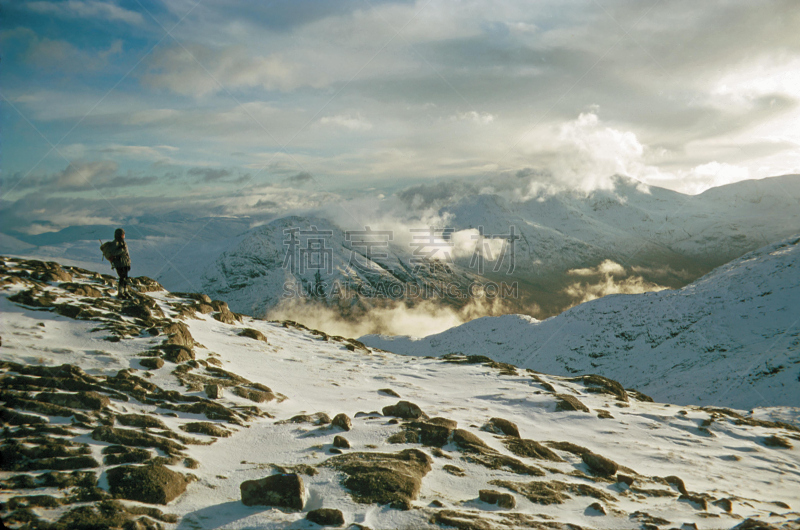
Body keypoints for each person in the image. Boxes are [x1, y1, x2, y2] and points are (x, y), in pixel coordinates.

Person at [108, 228, 132, 299]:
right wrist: (121, 249)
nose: (123, 236)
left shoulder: (123, 243)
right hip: (119, 263)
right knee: (122, 278)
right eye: (122, 235)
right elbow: (113, 253)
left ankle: (125, 291)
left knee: (125, 278)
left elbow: (127, 254)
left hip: (125, 263)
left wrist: (128, 262)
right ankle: (120, 292)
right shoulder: (115, 243)